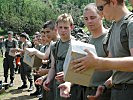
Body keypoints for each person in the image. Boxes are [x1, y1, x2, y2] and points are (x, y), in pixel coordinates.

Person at [72, 0, 133, 100]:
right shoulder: (114, 27)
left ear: (113, 2)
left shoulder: (130, 24)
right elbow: (110, 62)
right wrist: (85, 64)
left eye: (100, 8)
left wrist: (98, 62)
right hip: (116, 91)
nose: (100, 13)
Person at [59, 3, 112, 100]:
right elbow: (81, 68)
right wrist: (68, 83)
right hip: (85, 91)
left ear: (101, 16)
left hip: (105, 92)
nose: (89, 21)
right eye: (86, 19)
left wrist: (105, 86)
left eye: (92, 17)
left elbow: (116, 69)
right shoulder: (87, 41)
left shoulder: (110, 38)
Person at [43, 13, 82, 100]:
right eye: (60, 27)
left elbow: (80, 69)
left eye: (66, 28)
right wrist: (48, 79)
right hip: (58, 86)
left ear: (71, 27)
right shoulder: (54, 46)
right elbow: (53, 67)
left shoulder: (78, 45)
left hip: (73, 87)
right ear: (56, 27)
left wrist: (67, 74)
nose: (63, 30)